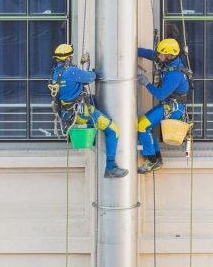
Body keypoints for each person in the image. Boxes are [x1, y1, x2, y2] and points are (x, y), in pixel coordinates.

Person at [49, 43, 127, 178]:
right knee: (113, 130)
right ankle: (110, 167)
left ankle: (96, 135)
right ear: (68, 58)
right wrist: (87, 68)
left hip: (68, 113)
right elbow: (91, 77)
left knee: (92, 98)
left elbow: (77, 83)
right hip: (81, 113)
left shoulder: (55, 73)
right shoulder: (72, 72)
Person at [135, 38, 191, 173]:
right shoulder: (168, 60)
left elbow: (160, 95)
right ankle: (156, 159)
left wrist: (146, 83)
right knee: (145, 125)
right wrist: (131, 51)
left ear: (170, 56)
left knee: (142, 126)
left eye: (161, 54)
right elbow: (151, 54)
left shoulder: (175, 75)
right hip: (169, 105)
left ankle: (152, 161)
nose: (158, 56)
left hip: (173, 108)